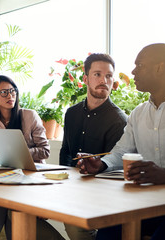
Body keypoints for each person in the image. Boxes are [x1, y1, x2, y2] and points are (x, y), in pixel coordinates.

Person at [77, 43, 165, 240]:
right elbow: (121, 151)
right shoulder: (139, 114)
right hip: (150, 203)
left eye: (139, 65)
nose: (133, 71)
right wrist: (101, 163)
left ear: (160, 68)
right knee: (108, 232)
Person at [0, 75, 64, 240]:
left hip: (30, 175)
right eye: (4, 92)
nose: (10, 96)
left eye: (12, 91)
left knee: (4, 199)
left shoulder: (29, 116)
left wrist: (20, 152)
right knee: (5, 198)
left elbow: (45, 151)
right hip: (4, 174)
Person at [59, 53, 127, 240]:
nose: (104, 80)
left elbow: (114, 168)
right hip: (69, 187)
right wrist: (61, 186)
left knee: (75, 224)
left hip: (98, 197)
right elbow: (66, 151)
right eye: (97, 74)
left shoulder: (119, 120)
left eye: (109, 76)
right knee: (16, 211)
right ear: (85, 79)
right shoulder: (71, 113)